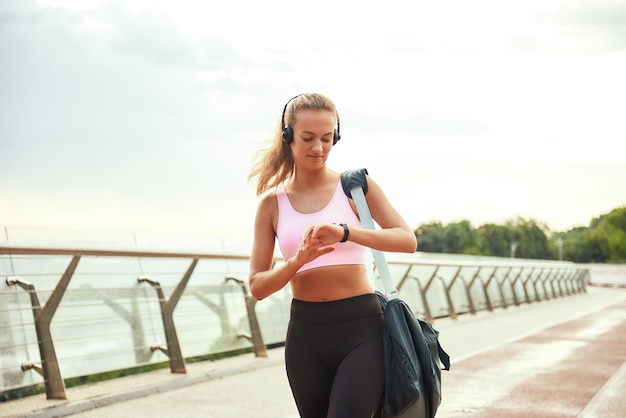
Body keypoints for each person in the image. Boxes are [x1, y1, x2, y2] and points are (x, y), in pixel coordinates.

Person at [248, 93, 417, 417]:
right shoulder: (272, 204)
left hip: (361, 329)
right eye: (308, 138)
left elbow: (406, 239)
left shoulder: (356, 187)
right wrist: (297, 261)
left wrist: (346, 232)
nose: (318, 148)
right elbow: (257, 286)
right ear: (288, 138)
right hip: (305, 335)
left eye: (327, 138)